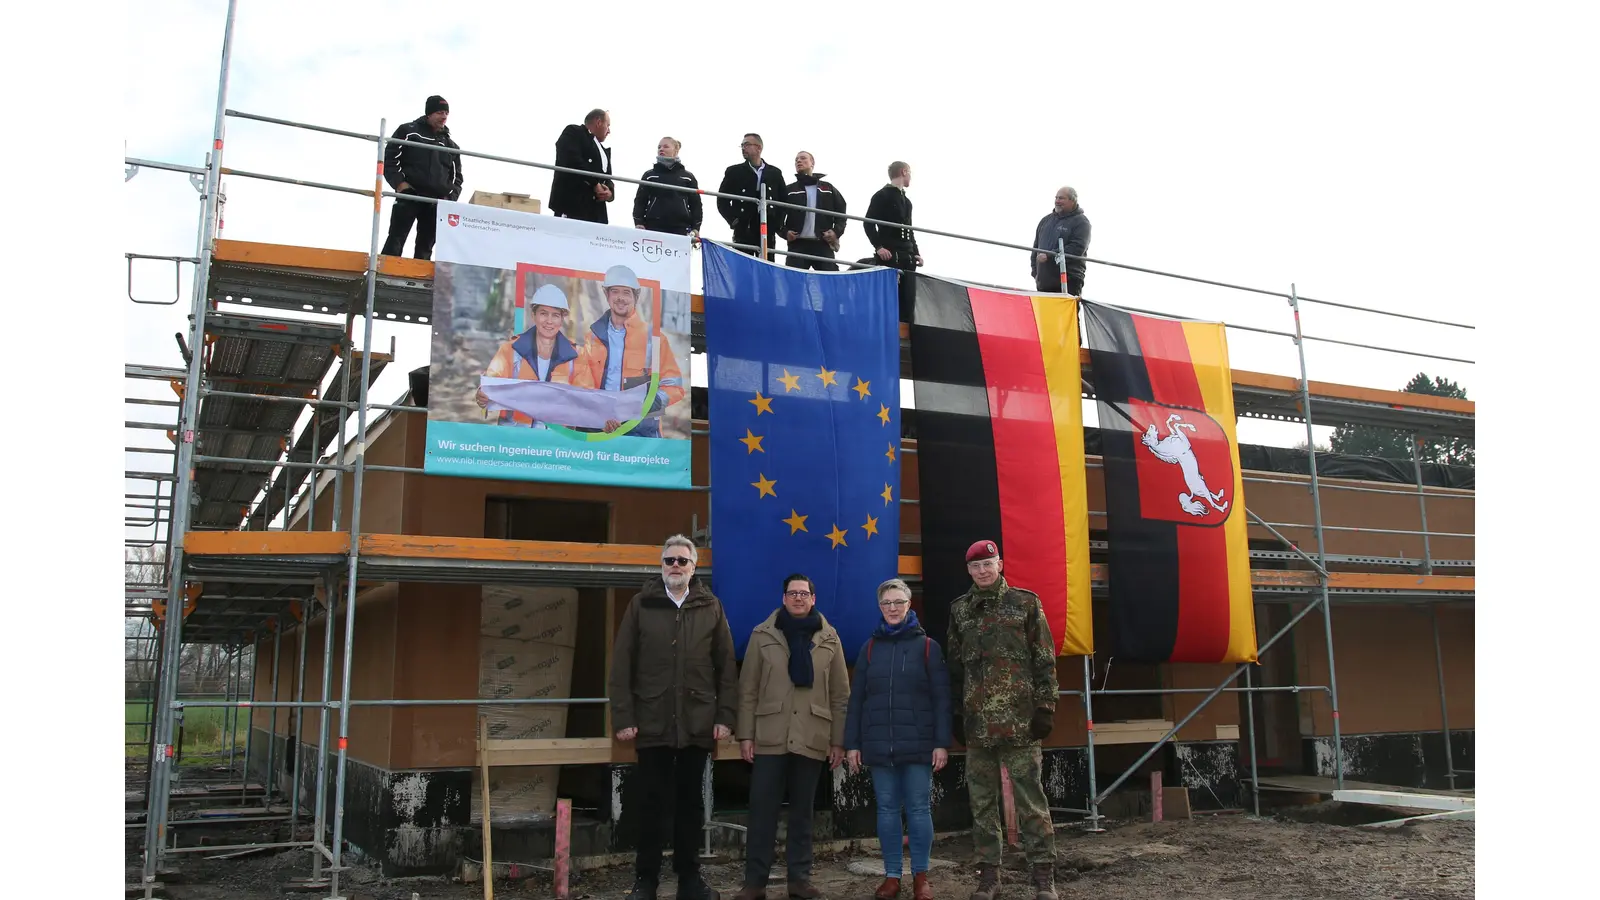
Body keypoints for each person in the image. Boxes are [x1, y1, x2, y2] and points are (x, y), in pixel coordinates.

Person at [609, 535, 739, 900]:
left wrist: (725, 716)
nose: (676, 566)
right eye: (669, 561)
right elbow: (622, 665)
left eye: (683, 560)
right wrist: (623, 718)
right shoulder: (640, 605)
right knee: (649, 804)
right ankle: (645, 881)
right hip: (651, 723)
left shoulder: (711, 607)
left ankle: (689, 880)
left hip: (697, 723)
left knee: (690, 806)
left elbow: (725, 667)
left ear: (694, 567)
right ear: (661, 566)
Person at [945, 540, 1059, 900]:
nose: (983, 571)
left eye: (988, 564)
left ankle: (1043, 876)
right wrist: (957, 713)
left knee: (1032, 803)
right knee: (981, 804)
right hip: (978, 727)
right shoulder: (960, 611)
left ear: (1001, 564)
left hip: (1021, 723)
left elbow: (1044, 658)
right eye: (976, 566)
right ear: (968, 570)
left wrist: (1046, 707)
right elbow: (955, 668)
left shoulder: (1025, 603)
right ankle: (988, 877)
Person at [733, 574, 850, 900]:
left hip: (812, 735)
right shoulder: (762, 635)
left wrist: (838, 741)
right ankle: (754, 883)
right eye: (792, 593)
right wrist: (745, 735)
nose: (798, 598)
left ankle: (799, 880)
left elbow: (840, 695)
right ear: (783, 598)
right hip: (769, 736)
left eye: (804, 593)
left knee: (802, 813)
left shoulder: (830, 638)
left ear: (813, 598)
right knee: (762, 813)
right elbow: (747, 689)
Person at [843, 579, 951, 900]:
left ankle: (921, 877)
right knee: (887, 811)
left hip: (919, 746)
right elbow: (857, 700)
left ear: (909, 606)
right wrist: (853, 744)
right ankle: (892, 876)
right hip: (878, 747)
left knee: (918, 810)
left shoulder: (929, 647)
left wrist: (941, 742)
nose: (892, 608)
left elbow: (942, 700)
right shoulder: (869, 648)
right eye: (887, 603)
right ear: (880, 608)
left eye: (898, 602)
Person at [573, 264, 687, 438]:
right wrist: (601, 414)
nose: (620, 298)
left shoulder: (655, 339)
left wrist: (646, 404)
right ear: (606, 294)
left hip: (640, 433)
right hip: (599, 429)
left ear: (636, 296)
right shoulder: (592, 337)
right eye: (615, 291)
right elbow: (583, 385)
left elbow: (674, 387)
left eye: (626, 292)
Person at [474, 284, 581, 425]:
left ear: (562, 319)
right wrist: (482, 395)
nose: (549, 321)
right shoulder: (510, 350)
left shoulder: (576, 356)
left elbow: (586, 397)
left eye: (555, 315)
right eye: (543, 313)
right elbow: (492, 381)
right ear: (533, 315)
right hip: (515, 439)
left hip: (556, 440)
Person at [380, 95, 463, 260]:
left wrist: (449, 199)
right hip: (410, 194)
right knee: (396, 238)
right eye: (440, 112)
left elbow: (457, 177)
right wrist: (401, 185)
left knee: (426, 245)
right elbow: (390, 160)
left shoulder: (451, 146)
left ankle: (419, 280)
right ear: (429, 113)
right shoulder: (408, 131)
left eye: (446, 113)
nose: (444, 117)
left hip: (436, 201)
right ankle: (386, 273)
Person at [863, 162, 922, 322]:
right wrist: (879, 247)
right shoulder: (882, 195)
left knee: (908, 297)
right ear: (904, 172)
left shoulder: (907, 202)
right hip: (890, 254)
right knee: (887, 295)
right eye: (910, 173)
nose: (911, 177)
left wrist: (916, 253)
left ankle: (904, 332)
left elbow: (909, 229)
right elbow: (868, 223)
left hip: (907, 256)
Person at [717, 133, 787, 259]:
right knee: (742, 266)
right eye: (742, 145)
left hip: (767, 227)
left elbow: (783, 200)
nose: (743, 148)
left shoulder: (775, 173)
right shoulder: (734, 171)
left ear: (759, 148)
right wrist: (733, 220)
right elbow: (722, 199)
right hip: (743, 226)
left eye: (747, 145)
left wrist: (778, 224)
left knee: (767, 265)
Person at [780, 152, 847, 271]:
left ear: (812, 163)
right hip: (798, 244)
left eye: (803, 158)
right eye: (796, 160)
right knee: (793, 283)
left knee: (829, 282)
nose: (798, 161)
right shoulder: (789, 190)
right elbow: (778, 215)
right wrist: (785, 233)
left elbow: (841, 211)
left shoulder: (827, 188)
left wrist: (836, 232)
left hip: (822, 243)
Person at [550, 108, 615, 223]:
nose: (609, 131)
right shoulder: (574, 132)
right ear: (598, 122)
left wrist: (609, 193)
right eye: (608, 125)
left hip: (596, 213)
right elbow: (570, 159)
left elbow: (608, 178)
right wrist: (594, 183)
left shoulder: (604, 152)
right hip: (572, 206)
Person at [634, 136, 703, 237]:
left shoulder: (688, 177)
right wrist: (639, 222)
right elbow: (640, 201)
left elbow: (696, 204)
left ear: (675, 151)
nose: (661, 149)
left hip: (681, 227)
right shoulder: (649, 175)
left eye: (666, 146)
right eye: (659, 147)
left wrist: (696, 228)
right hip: (654, 226)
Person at [1030, 187, 1091, 296]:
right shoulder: (1045, 221)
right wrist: (1035, 272)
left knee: (1064, 313)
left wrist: (1049, 256)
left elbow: (1077, 248)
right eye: (1056, 198)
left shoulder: (1082, 222)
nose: (1057, 201)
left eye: (1061, 198)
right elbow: (1035, 248)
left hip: (1069, 281)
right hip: (1044, 283)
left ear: (1072, 201)